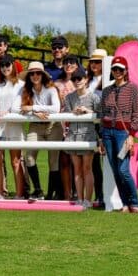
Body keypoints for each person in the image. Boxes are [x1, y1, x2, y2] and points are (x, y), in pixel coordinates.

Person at [99, 56, 138, 213]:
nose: (117, 72)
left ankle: (134, 202)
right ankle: (125, 203)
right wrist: (101, 138)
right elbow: (102, 114)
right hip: (107, 133)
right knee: (115, 170)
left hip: (123, 133)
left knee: (123, 170)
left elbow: (137, 115)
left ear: (126, 71)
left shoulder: (133, 89)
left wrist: (131, 135)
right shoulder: (106, 91)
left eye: (120, 69)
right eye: (114, 69)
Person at [20, 61, 61, 200]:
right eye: (32, 73)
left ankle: (51, 194)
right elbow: (21, 109)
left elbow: (56, 108)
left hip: (53, 125)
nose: (35, 76)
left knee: (53, 161)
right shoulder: (26, 90)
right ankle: (38, 190)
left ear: (43, 75)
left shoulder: (51, 89)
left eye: (38, 73)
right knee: (29, 157)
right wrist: (34, 112)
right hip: (35, 125)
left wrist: (34, 108)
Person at [0, 55, 26, 198]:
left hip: (15, 126)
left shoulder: (21, 85)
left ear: (13, 66)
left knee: (16, 161)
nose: (5, 68)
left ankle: (19, 194)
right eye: (3, 65)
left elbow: (22, 104)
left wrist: (10, 112)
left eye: (8, 65)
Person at [63, 68, 100, 208]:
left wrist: (87, 111)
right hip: (73, 135)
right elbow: (65, 115)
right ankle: (80, 198)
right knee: (77, 169)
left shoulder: (94, 97)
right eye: (74, 79)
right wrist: (73, 112)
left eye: (80, 78)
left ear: (86, 80)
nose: (77, 81)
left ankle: (88, 200)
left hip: (88, 136)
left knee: (87, 168)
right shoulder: (69, 97)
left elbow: (101, 115)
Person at [51, 55, 82, 200]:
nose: (69, 65)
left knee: (77, 160)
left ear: (77, 65)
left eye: (72, 62)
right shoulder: (56, 83)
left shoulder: (81, 81)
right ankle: (66, 193)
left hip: (79, 123)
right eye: (66, 62)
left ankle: (78, 192)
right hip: (61, 123)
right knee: (63, 160)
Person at [86, 48, 107, 208]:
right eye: (92, 61)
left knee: (106, 162)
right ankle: (99, 195)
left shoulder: (108, 82)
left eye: (98, 62)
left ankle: (107, 195)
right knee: (93, 164)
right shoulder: (87, 80)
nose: (94, 64)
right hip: (89, 125)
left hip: (103, 124)